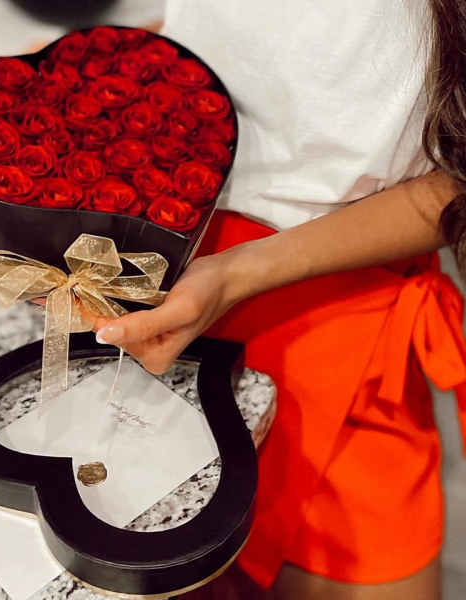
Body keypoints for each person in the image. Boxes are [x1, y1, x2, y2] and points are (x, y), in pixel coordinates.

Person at [93, 1, 466, 598]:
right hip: (167, 269)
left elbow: (457, 181)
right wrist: (110, 61)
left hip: (341, 315)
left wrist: (239, 271)